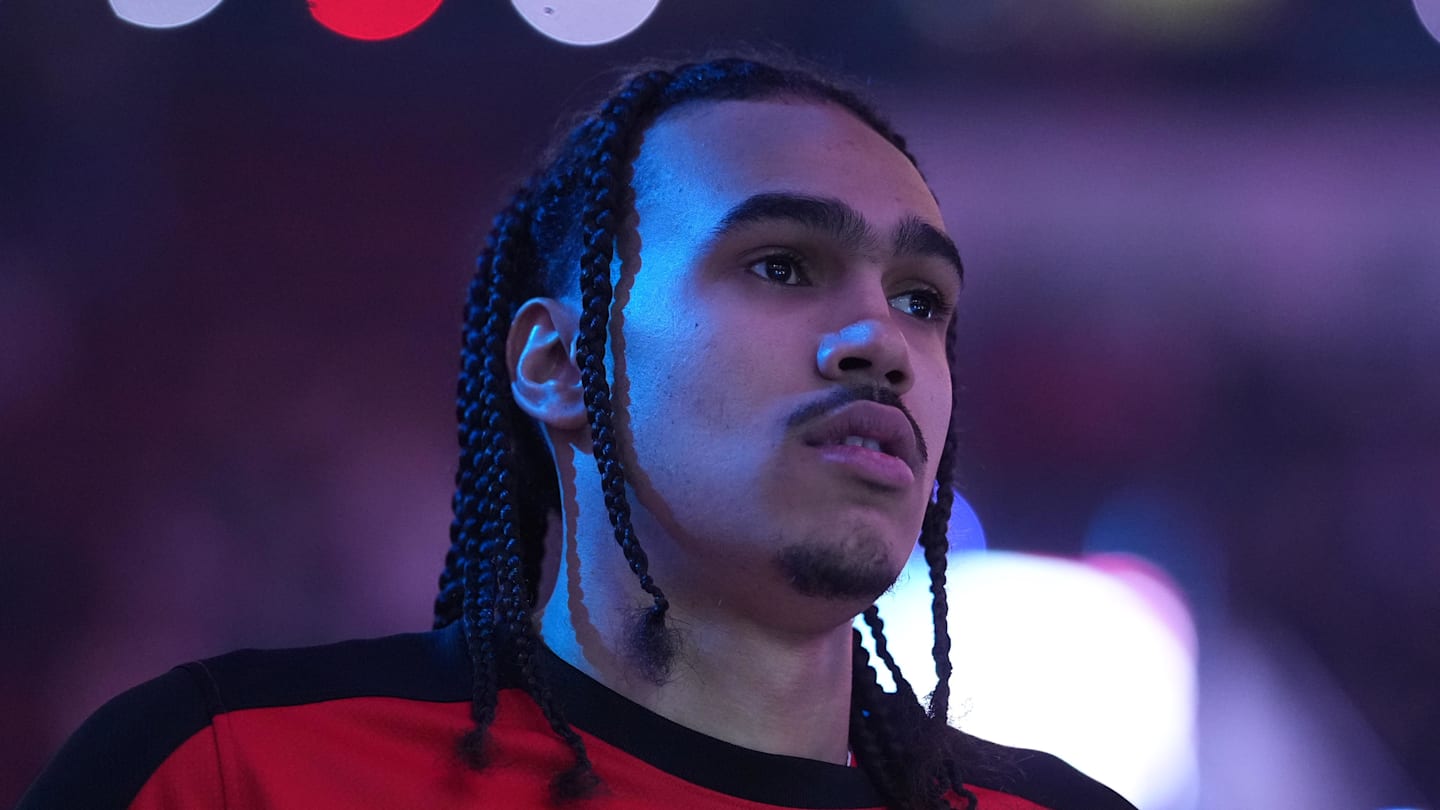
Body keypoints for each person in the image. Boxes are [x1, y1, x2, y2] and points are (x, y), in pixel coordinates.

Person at [20, 56, 1137, 810]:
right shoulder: (229, 774)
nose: (881, 341)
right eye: (782, 264)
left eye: (922, 301)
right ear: (557, 364)